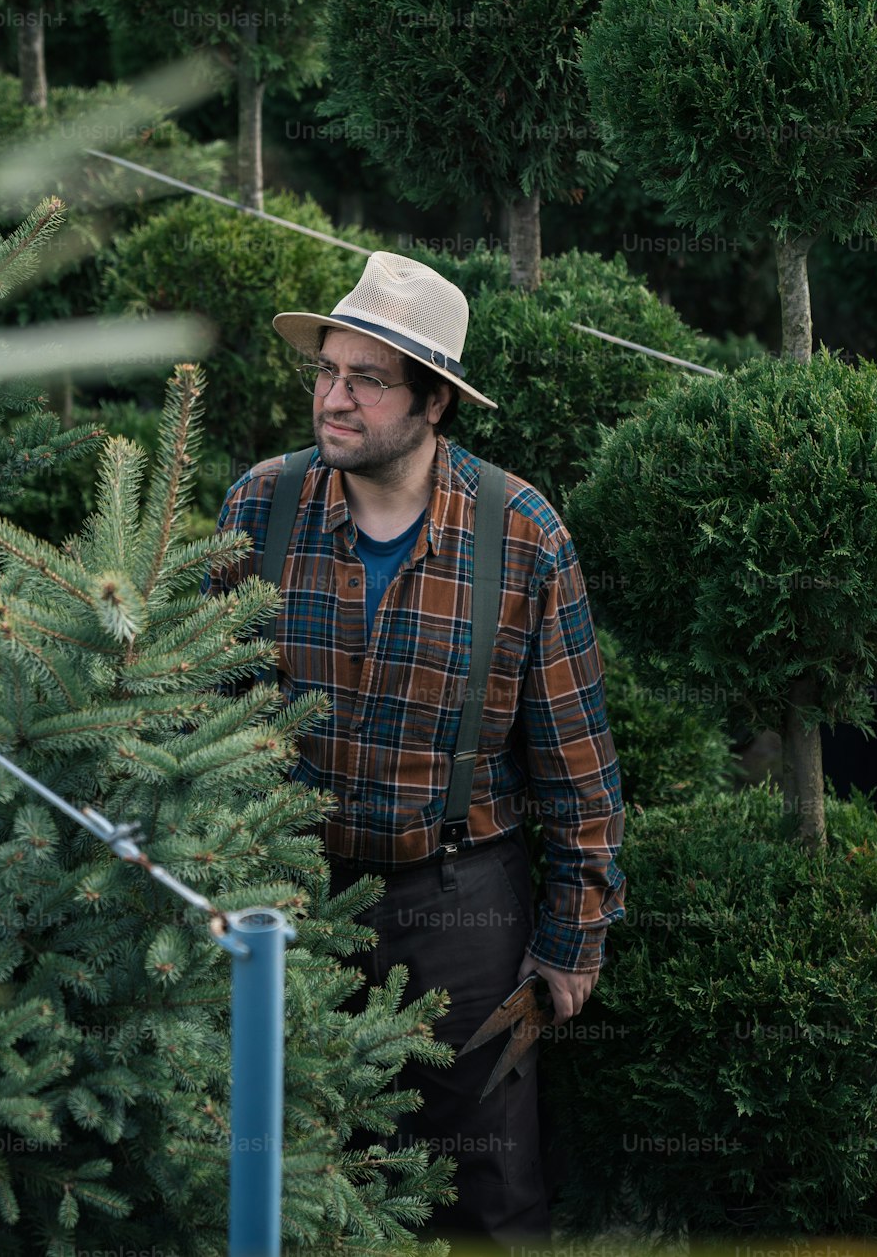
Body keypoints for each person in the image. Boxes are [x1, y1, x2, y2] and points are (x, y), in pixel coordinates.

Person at [207, 250, 625, 1249]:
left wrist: (574, 935)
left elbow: (577, 761)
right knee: (285, 1175)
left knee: (491, 1196)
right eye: (325, 372)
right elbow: (202, 718)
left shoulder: (520, 535)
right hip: (289, 896)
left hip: (460, 907)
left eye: (366, 379)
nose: (334, 398)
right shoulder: (259, 505)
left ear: (434, 401)